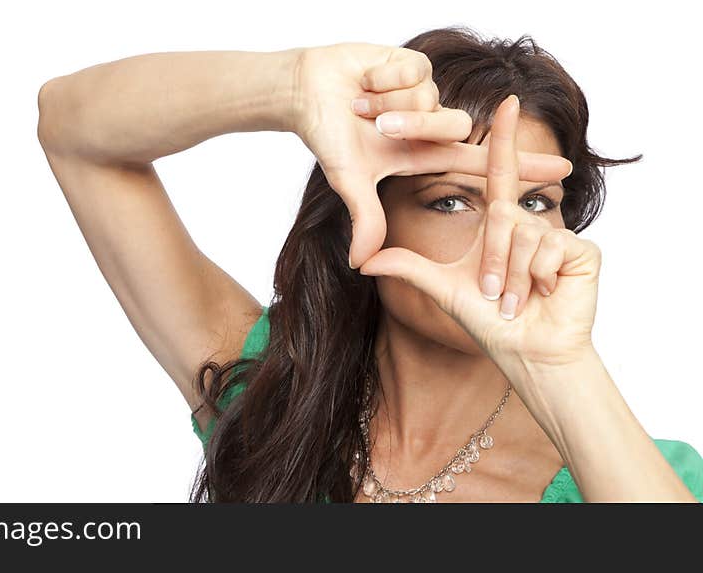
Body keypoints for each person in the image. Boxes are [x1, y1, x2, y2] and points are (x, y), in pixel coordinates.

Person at [36, 26, 703, 503]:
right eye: (451, 201)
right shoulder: (274, 389)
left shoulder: (643, 476)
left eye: (535, 200)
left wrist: (559, 365)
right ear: (366, 217)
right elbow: (71, 129)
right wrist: (290, 86)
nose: (506, 232)